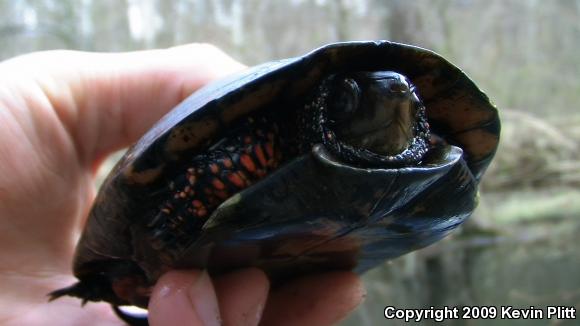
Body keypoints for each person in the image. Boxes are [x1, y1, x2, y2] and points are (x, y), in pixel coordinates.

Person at [0, 44, 365, 325]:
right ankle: (126, 271)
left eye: (408, 100)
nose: (395, 106)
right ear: (333, 102)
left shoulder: (417, 144)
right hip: (157, 255)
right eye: (359, 98)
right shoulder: (278, 133)